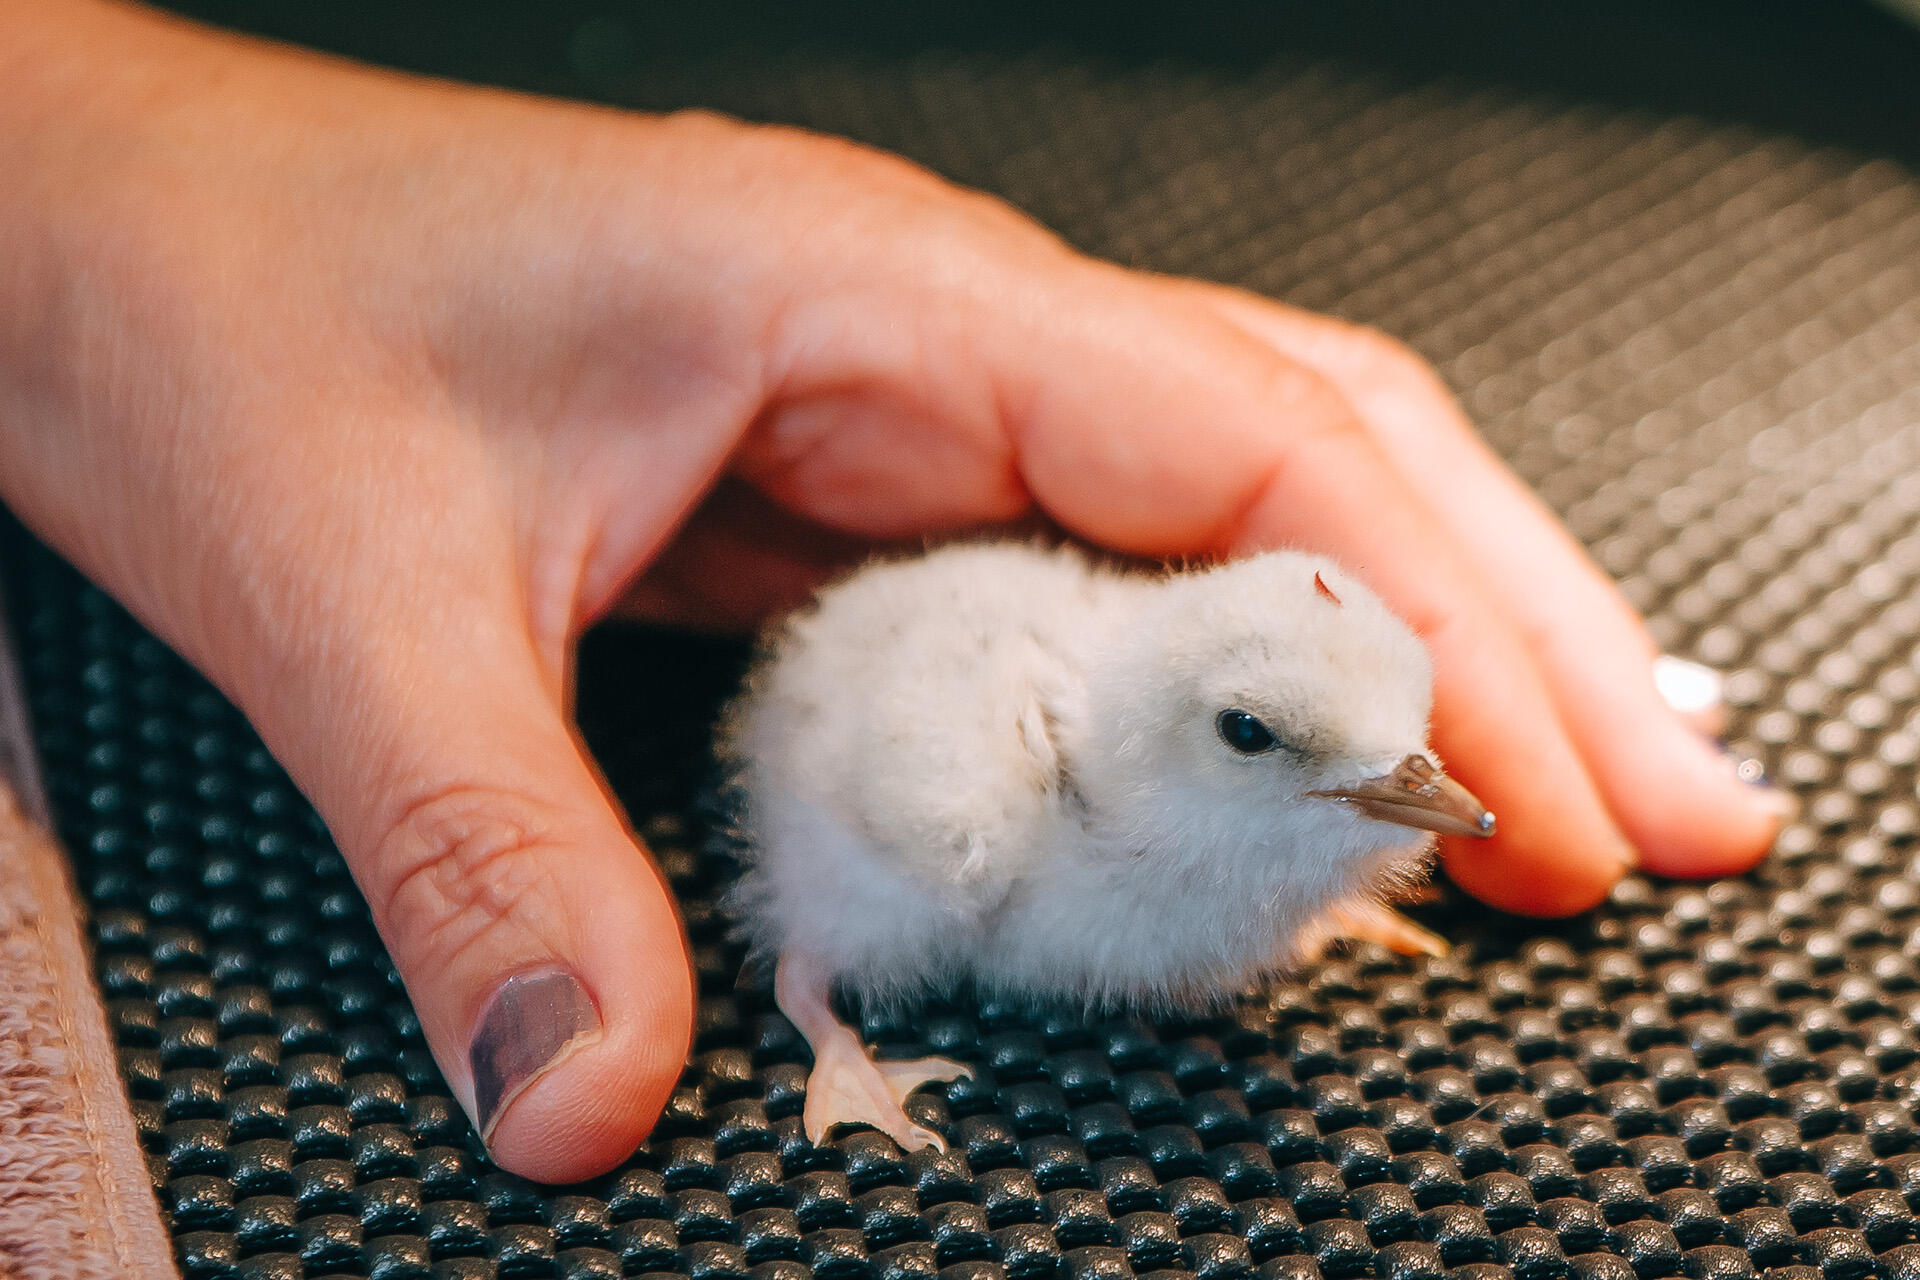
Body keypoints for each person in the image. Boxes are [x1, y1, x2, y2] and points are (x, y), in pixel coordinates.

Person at [0, 0, 1790, 1183]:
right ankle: (823, 1029)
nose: (1420, 782)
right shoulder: (978, 791)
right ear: (1193, 726)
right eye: (1270, 736)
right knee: (887, 887)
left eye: (1397, 744)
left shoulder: (1220, 753)